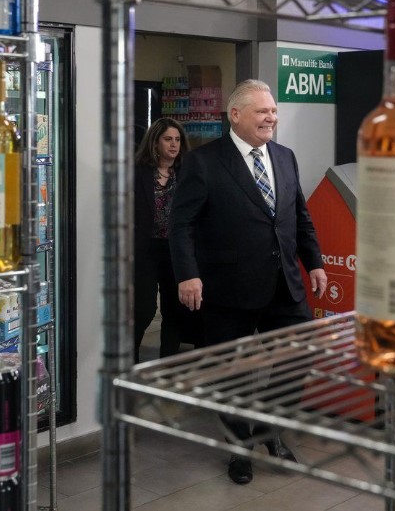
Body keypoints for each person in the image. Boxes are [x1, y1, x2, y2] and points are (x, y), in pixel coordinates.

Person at [169, 79, 327, 485]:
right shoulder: (203, 162)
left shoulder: (285, 157)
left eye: (273, 111)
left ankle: (268, 433)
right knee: (228, 372)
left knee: (298, 356)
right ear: (235, 115)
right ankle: (239, 449)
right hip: (227, 288)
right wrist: (188, 274)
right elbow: (181, 224)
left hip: (283, 285)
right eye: (262, 111)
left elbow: (299, 216)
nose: (271, 117)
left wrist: (315, 263)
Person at [134, 117, 199, 363]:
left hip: (176, 250)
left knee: (174, 311)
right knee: (143, 310)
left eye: (177, 140)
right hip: (146, 249)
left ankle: (167, 365)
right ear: (155, 142)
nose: (173, 145)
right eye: (167, 139)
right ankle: (130, 362)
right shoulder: (138, 172)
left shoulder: (188, 172)